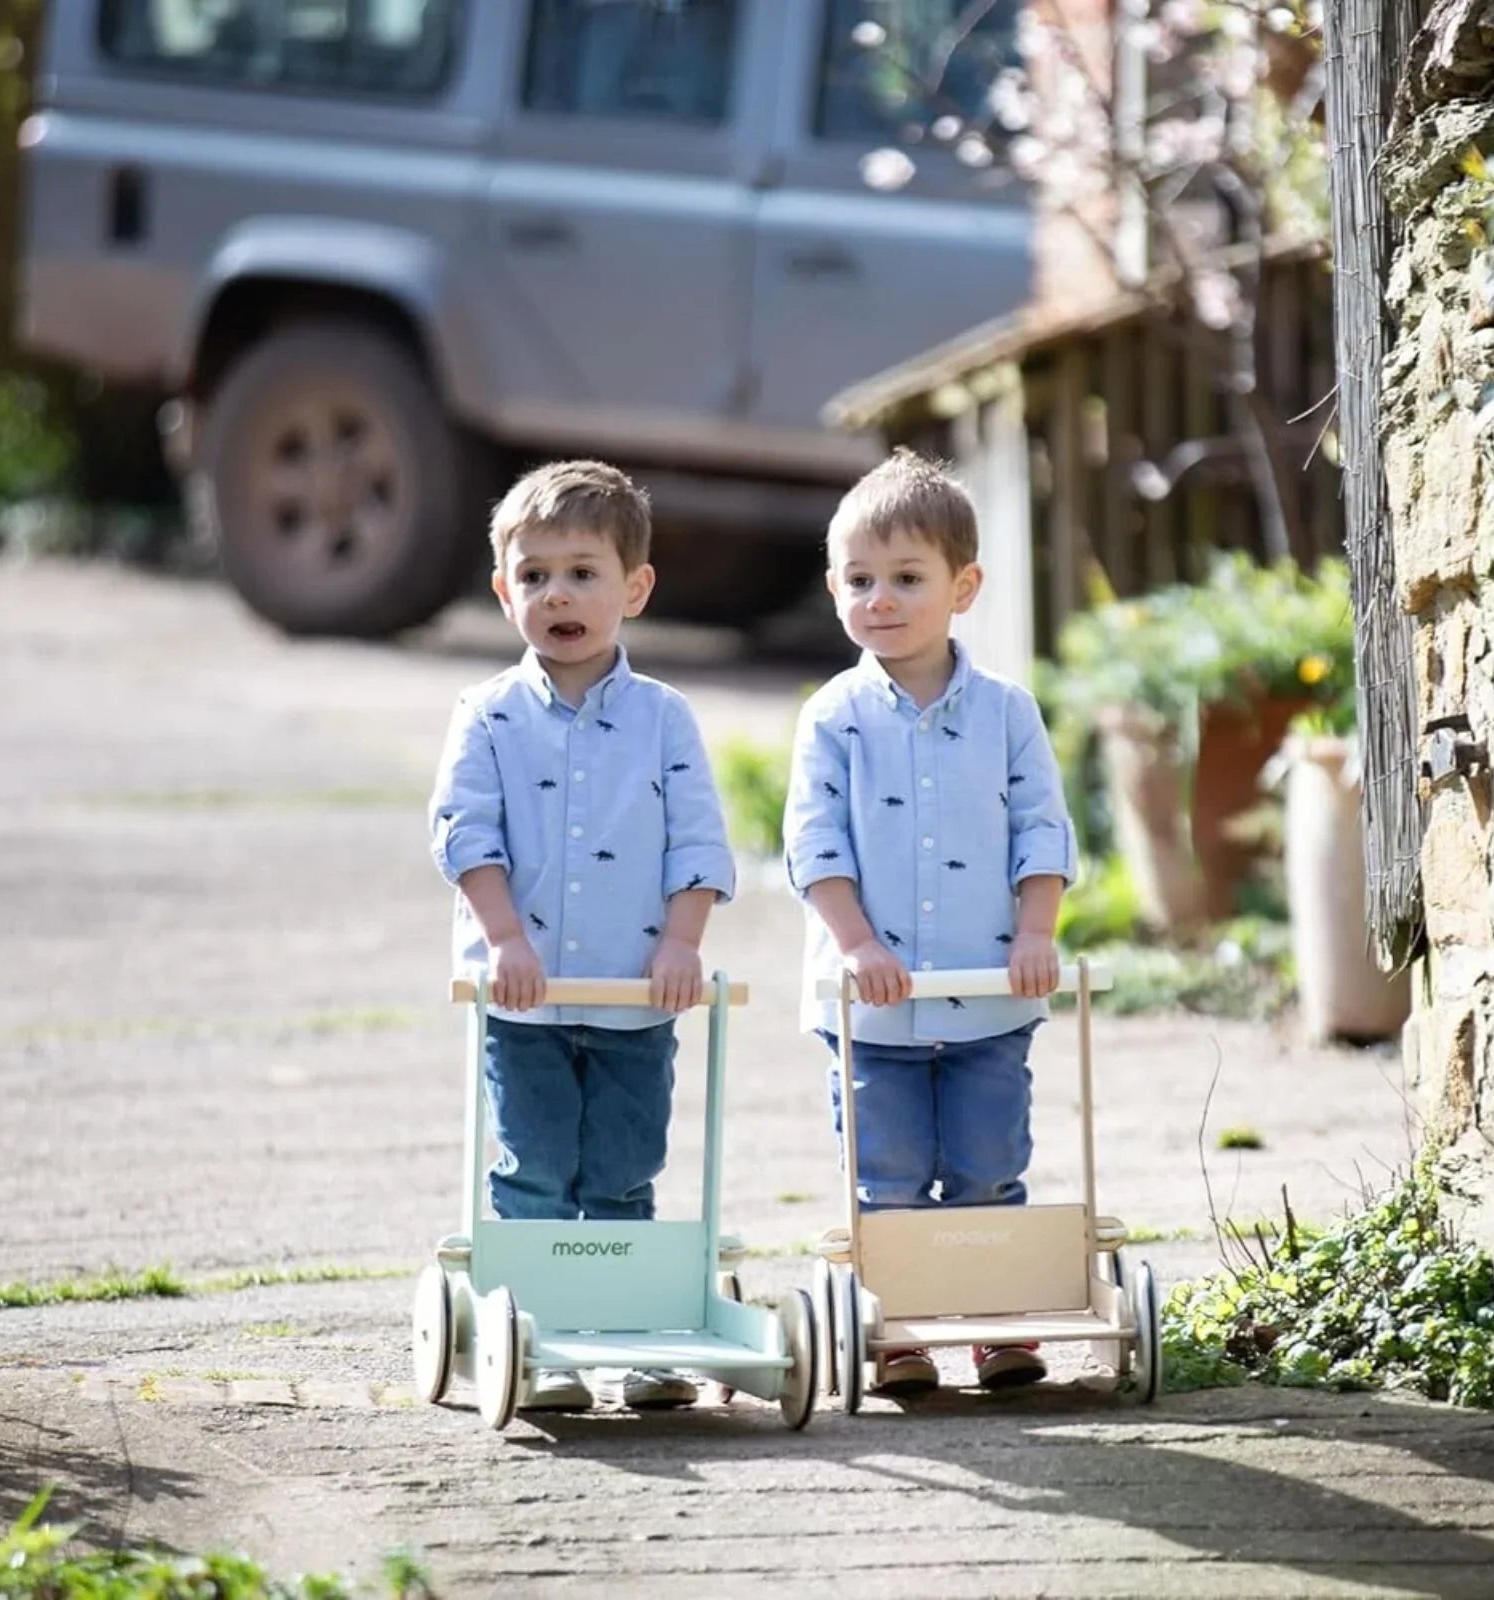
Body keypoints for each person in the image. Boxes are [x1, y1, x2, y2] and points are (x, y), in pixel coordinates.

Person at [429, 459, 734, 1413]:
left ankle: (630, 1336)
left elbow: (698, 843)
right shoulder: (485, 717)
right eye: (534, 576)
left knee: (622, 1169)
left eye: (582, 573)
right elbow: (464, 833)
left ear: (634, 588)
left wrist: (681, 944)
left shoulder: (665, 719)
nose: (556, 594)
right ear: (503, 589)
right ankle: (540, 1340)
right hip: (521, 997)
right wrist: (504, 940)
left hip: (635, 998)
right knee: (534, 1165)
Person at [783, 448, 1077, 1396]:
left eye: (906, 579)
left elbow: (1041, 829)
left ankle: (996, 1320)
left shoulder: (1006, 714)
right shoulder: (833, 719)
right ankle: (898, 1328)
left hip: (989, 994)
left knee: (990, 1163)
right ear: (835, 590)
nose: (881, 600)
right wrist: (857, 944)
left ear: (964, 587)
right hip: (873, 1006)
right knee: (892, 1174)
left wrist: (1036, 931)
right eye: (860, 581)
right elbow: (814, 845)